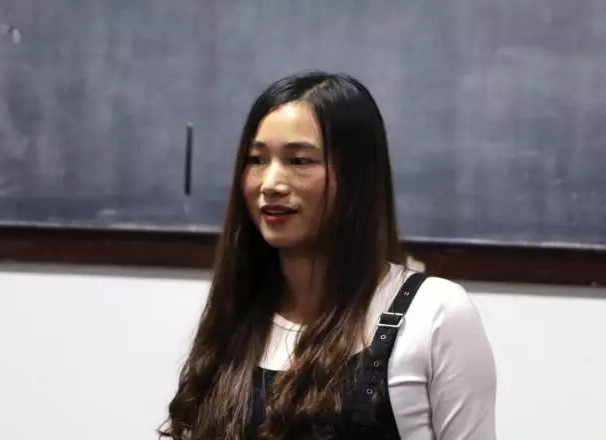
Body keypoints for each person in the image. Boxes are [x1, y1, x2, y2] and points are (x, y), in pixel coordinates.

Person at [159, 72, 496, 440]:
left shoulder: (433, 314)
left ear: (356, 176)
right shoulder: (237, 315)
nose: (270, 183)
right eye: (257, 159)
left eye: (299, 160)